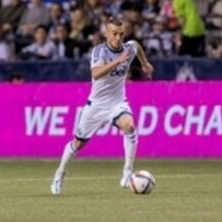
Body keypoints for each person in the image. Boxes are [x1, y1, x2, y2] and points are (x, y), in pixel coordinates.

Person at [51, 16, 154, 195]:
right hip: (96, 105)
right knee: (78, 144)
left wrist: (145, 64)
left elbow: (136, 46)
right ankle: (60, 173)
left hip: (117, 102)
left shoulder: (128, 49)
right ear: (106, 33)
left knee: (129, 126)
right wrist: (117, 61)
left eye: (121, 34)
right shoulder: (99, 52)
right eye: (114, 33)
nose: (118, 38)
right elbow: (96, 73)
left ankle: (127, 171)